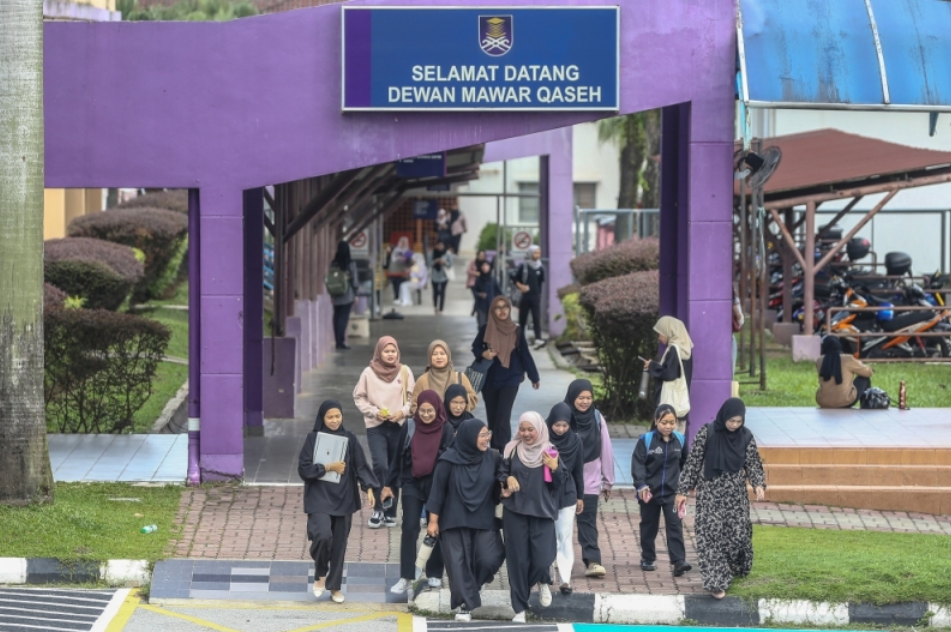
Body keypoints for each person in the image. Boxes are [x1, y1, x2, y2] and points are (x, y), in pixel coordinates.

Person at [675, 398, 766, 599]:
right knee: (710, 536)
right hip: (710, 495)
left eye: (738, 421)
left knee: (736, 537)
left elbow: (753, 462)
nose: (734, 425)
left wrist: (758, 484)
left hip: (735, 498)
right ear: (724, 415)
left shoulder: (746, 437)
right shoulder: (707, 432)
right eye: (731, 420)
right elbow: (693, 463)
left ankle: (733, 567)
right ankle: (716, 582)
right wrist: (682, 490)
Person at [298, 399, 378, 604]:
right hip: (319, 496)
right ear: (322, 418)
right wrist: (328, 467)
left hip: (344, 497)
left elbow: (361, 465)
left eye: (337, 416)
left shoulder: (350, 438)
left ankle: (334, 587)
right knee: (322, 536)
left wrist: (368, 488)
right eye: (330, 417)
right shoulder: (312, 438)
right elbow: (304, 469)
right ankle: (320, 574)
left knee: (339, 544)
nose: (334, 420)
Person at [427, 418, 505, 622]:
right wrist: (433, 521)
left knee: (490, 558)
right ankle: (465, 605)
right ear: (469, 437)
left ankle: (474, 586)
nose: (486, 438)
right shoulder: (448, 460)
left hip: (484, 519)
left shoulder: (494, 457)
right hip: (454, 519)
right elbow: (437, 492)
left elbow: (502, 484)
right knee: (458, 564)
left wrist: (507, 487)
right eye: (482, 435)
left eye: (488, 434)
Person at [383, 390, 454, 594]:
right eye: (422, 410)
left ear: (437, 409)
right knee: (410, 528)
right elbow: (397, 457)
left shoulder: (446, 429)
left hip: (436, 486)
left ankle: (434, 574)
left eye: (429, 410)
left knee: (435, 529)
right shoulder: (410, 426)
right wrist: (388, 484)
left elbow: (450, 460)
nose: (425, 414)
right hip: (412, 482)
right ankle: (406, 576)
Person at [498, 412, 565, 623]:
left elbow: (560, 484)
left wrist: (555, 469)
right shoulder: (511, 449)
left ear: (539, 429)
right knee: (517, 560)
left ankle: (543, 580)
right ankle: (519, 607)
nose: (526, 434)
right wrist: (507, 478)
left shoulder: (550, 450)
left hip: (542, 512)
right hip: (515, 512)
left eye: (530, 429)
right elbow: (501, 473)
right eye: (522, 429)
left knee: (543, 556)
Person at [353, 336, 415, 529]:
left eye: (393, 351)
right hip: (376, 426)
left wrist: (402, 412)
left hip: (399, 426)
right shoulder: (368, 373)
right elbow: (359, 397)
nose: (390, 354)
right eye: (386, 351)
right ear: (378, 353)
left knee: (395, 467)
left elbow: (413, 399)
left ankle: (389, 511)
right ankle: (378, 509)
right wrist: (375, 412)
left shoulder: (404, 372)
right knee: (381, 465)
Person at [472, 296, 540, 452]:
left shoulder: (516, 331)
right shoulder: (485, 329)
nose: (502, 310)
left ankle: (504, 453)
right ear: (492, 310)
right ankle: (495, 452)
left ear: (509, 309)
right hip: (489, 381)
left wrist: (534, 376)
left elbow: (525, 355)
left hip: (511, 379)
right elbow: (475, 348)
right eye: (498, 307)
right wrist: (484, 353)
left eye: (505, 307)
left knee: (503, 418)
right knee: (493, 418)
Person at [631, 404, 691, 576]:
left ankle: (679, 561)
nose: (668, 426)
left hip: (672, 494)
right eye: (664, 422)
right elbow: (638, 465)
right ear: (656, 421)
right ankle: (648, 558)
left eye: (672, 422)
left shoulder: (680, 440)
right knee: (649, 526)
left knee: (675, 525)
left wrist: (685, 487)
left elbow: (686, 465)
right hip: (649, 493)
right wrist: (641, 485)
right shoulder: (646, 441)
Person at [564, 379, 615, 579]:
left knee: (587, 521)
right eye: (580, 398)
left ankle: (592, 561)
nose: (585, 402)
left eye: (589, 398)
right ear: (572, 397)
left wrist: (608, 480)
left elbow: (606, 448)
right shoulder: (562, 416)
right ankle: (560, 558)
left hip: (590, 479)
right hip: (565, 479)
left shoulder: (596, 418)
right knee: (562, 523)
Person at [545, 403, 585, 595]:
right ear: (550, 423)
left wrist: (580, 496)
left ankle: (565, 579)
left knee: (565, 536)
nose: (560, 429)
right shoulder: (542, 440)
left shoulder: (576, 441)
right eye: (557, 425)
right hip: (546, 492)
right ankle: (546, 573)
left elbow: (578, 470)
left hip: (568, 492)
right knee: (547, 535)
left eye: (565, 425)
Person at [645, 316, 694, 432]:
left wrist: (652, 365)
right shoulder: (686, 349)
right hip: (680, 406)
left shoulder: (674, 350)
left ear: (669, 332)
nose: (659, 337)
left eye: (661, 333)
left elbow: (669, 374)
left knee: (665, 443)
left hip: (669, 410)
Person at [411, 340, 477, 413]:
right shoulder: (422, 380)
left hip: (458, 423)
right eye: (435, 354)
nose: (439, 357)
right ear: (430, 357)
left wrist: (459, 402)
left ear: (448, 355)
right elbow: (414, 406)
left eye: (442, 353)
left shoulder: (460, 377)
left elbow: (473, 400)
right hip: (432, 423)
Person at [816, 335, 874, 408]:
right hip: (845, 401)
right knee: (864, 379)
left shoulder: (820, 361)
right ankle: (865, 407)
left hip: (823, 402)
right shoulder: (847, 359)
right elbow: (868, 373)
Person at [511, 245, 546, 348]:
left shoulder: (540, 267)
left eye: (539, 253)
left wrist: (540, 295)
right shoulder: (524, 266)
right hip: (525, 297)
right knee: (522, 319)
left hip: (535, 297)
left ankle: (538, 339)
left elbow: (540, 283)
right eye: (535, 253)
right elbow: (514, 278)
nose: (537, 255)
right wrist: (521, 286)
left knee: (536, 318)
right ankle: (520, 339)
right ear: (530, 254)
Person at [330, 240, 359, 351]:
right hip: (347, 293)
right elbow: (354, 280)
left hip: (336, 293)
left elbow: (331, 279)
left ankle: (337, 341)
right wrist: (356, 293)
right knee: (343, 318)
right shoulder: (350, 263)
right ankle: (341, 342)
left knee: (336, 317)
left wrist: (331, 295)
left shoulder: (334, 263)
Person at [473, 259, 502, 329]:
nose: (484, 267)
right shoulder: (478, 279)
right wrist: (480, 294)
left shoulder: (493, 279)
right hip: (481, 306)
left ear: (490, 267)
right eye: (483, 265)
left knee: (491, 326)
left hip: (492, 306)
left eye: (486, 265)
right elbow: (474, 291)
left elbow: (499, 292)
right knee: (481, 326)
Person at [428, 241, 454, 315]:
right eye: (438, 245)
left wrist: (444, 262)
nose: (440, 247)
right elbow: (428, 263)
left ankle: (441, 308)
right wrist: (435, 262)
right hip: (434, 275)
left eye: (441, 245)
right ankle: (435, 306)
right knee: (435, 292)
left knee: (442, 292)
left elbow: (450, 264)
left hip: (444, 276)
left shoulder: (447, 253)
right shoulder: (432, 253)